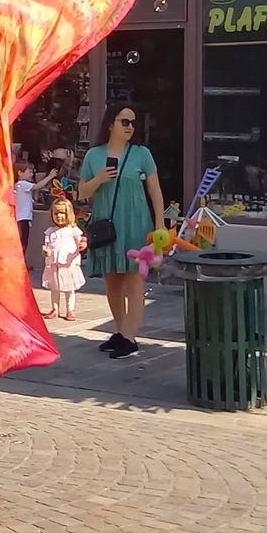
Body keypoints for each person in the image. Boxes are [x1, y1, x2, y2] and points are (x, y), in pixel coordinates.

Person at [79, 106, 165, 359]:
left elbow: (155, 190)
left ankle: (129, 337)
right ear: (110, 123)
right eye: (124, 121)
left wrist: (160, 223)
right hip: (107, 224)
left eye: (133, 122)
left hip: (136, 222)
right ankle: (120, 331)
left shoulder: (141, 154)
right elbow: (82, 192)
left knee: (134, 280)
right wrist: (99, 179)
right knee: (113, 279)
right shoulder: (94, 155)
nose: (130, 126)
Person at [42, 197, 87, 320]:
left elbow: (80, 242)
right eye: (56, 213)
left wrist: (83, 245)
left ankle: (70, 309)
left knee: (69, 288)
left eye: (62, 213)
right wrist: (46, 251)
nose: (59, 216)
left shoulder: (73, 230)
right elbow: (47, 246)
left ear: (69, 214)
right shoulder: (50, 231)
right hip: (54, 263)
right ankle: (55, 309)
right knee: (54, 288)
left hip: (68, 263)